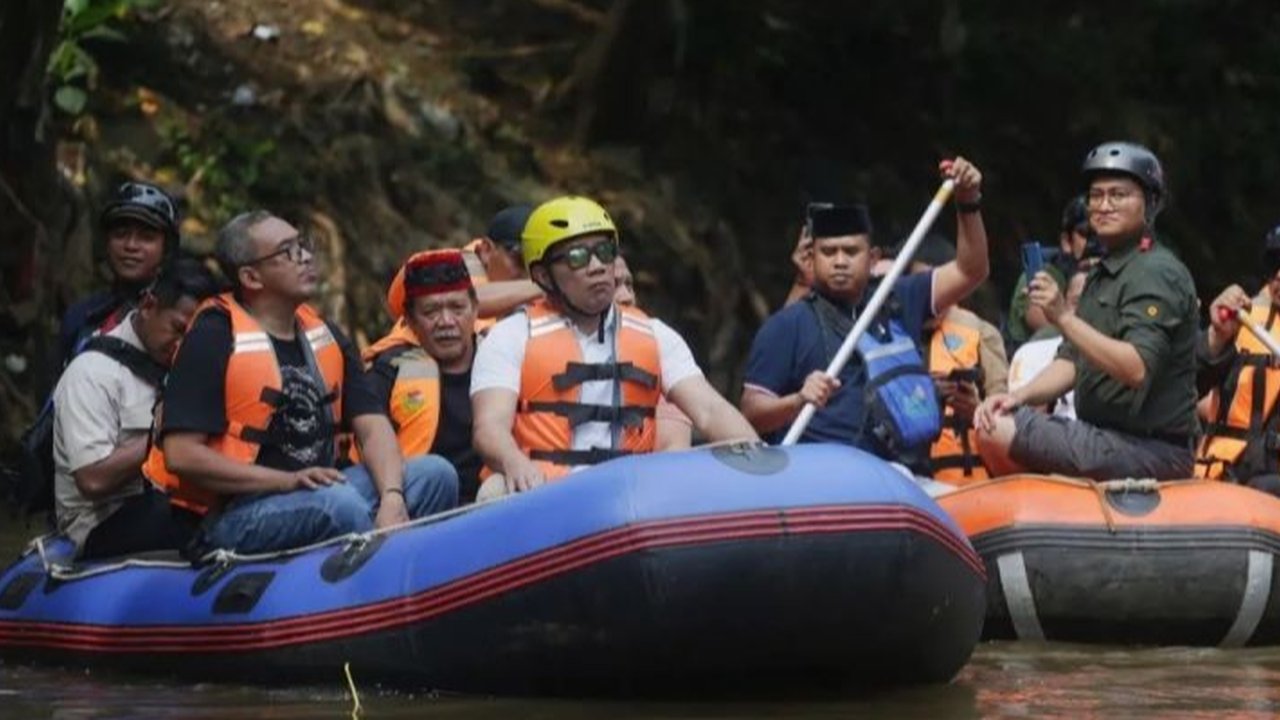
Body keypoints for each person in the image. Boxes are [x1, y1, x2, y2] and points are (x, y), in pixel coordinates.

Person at [145, 211, 458, 555]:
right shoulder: (213, 336)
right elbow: (182, 455)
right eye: (288, 251)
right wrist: (286, 481)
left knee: (435, 473)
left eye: (303, 245)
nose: (306, 257)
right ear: (251, 276)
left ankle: (409, 578)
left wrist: (392, 496)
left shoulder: (324, 333)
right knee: (338, 504)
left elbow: (372, 425)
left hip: (319, 488)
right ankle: (377, 585)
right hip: (237, 511)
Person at [471, 196, 758, 499]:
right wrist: (514, 462)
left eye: (605, 252)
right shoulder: (510, 335)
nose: (597, 267)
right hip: (543, 493)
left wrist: (756, 453)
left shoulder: (656, 335)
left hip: (631, 496)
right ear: (543, 275)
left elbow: (710, 411)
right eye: (578, 257)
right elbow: (489, 427)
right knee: (495, 489)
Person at [740, 158, 989, 473]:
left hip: (903, 476)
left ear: (872, 258)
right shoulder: (787, 326)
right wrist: (798, 401)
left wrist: (968, 202)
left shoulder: (900, 297)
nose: (840, 261)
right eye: (829, 252)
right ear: (810, 257)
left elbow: (971, 270)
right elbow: (751, 412)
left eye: (851, 251)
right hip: (824, 479)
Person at [976, 141, 1198, 481]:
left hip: (1149, 450)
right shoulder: (1102, 273)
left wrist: (1063, 317)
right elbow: (1071, 363)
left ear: (1150, 204)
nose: (1103, 206)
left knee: (1000, 431)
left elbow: (1136, 368)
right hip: (1105, 438)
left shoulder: (1157, 272)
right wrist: (1016, 396)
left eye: (1118, 195)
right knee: (996, 418)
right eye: (1096, 196)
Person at [54, 258, 218, 559]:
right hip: (100, 523)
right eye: (177, 329)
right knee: (185, 519)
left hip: (166, 503)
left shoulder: (184, 367)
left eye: (192, 338)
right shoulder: (92, 372)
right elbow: (92, 479)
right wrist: (162, 434)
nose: (182, 345)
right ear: (148, 305)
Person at [364, 249, 484, 503]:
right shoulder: (389, 369)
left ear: (475, 309)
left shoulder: (500, 354)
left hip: (489, 502)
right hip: (418, 504)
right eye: (431, 312)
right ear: (410, 320)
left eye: (457, 308)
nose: (446, 321)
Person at [904, 235, 1009, 484]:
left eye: (939, 286)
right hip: (908, 479)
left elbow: (1005, 412)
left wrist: (977, 409)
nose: (931, 298)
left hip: (968, 482)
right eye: (922, 288)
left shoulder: (982, 332)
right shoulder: (890, 334)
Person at [1193, 227, 1280, 493]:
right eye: (1276, 265)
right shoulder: (1241, 318)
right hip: (1222, 475)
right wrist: (1216, 336)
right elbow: (1188, 385)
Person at [59, 182, 180, 367]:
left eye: (146, 237)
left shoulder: (179, 320)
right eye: (121, 234)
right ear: (106, 242)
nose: (131, 245)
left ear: (167, 249)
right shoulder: (80, 316)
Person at [386, 206, 543, 336]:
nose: (527, 273)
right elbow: (471, 299)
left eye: (537, 265)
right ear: (486, 250)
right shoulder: (444, 265)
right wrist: (541, 285)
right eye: (520, 260)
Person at [614, 255, 693, 451]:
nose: (626, 297)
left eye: (629, 285)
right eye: (613, 285)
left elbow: (673, 450)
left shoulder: (656, 342)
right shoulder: (538, 339)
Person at [1004, 195, 1098, 352]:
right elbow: (1043, 322)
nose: (1095, 243)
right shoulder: (1042, 273)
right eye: (1086, 234)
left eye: (1100, 234)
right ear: (1066, 241)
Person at [1007, 269, 1088, 420]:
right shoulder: (1030, 354)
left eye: (1095, 302)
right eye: (1077, 302)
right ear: (1063, 303)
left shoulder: (1123, 355)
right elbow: (1021, 424)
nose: (1086, 309)